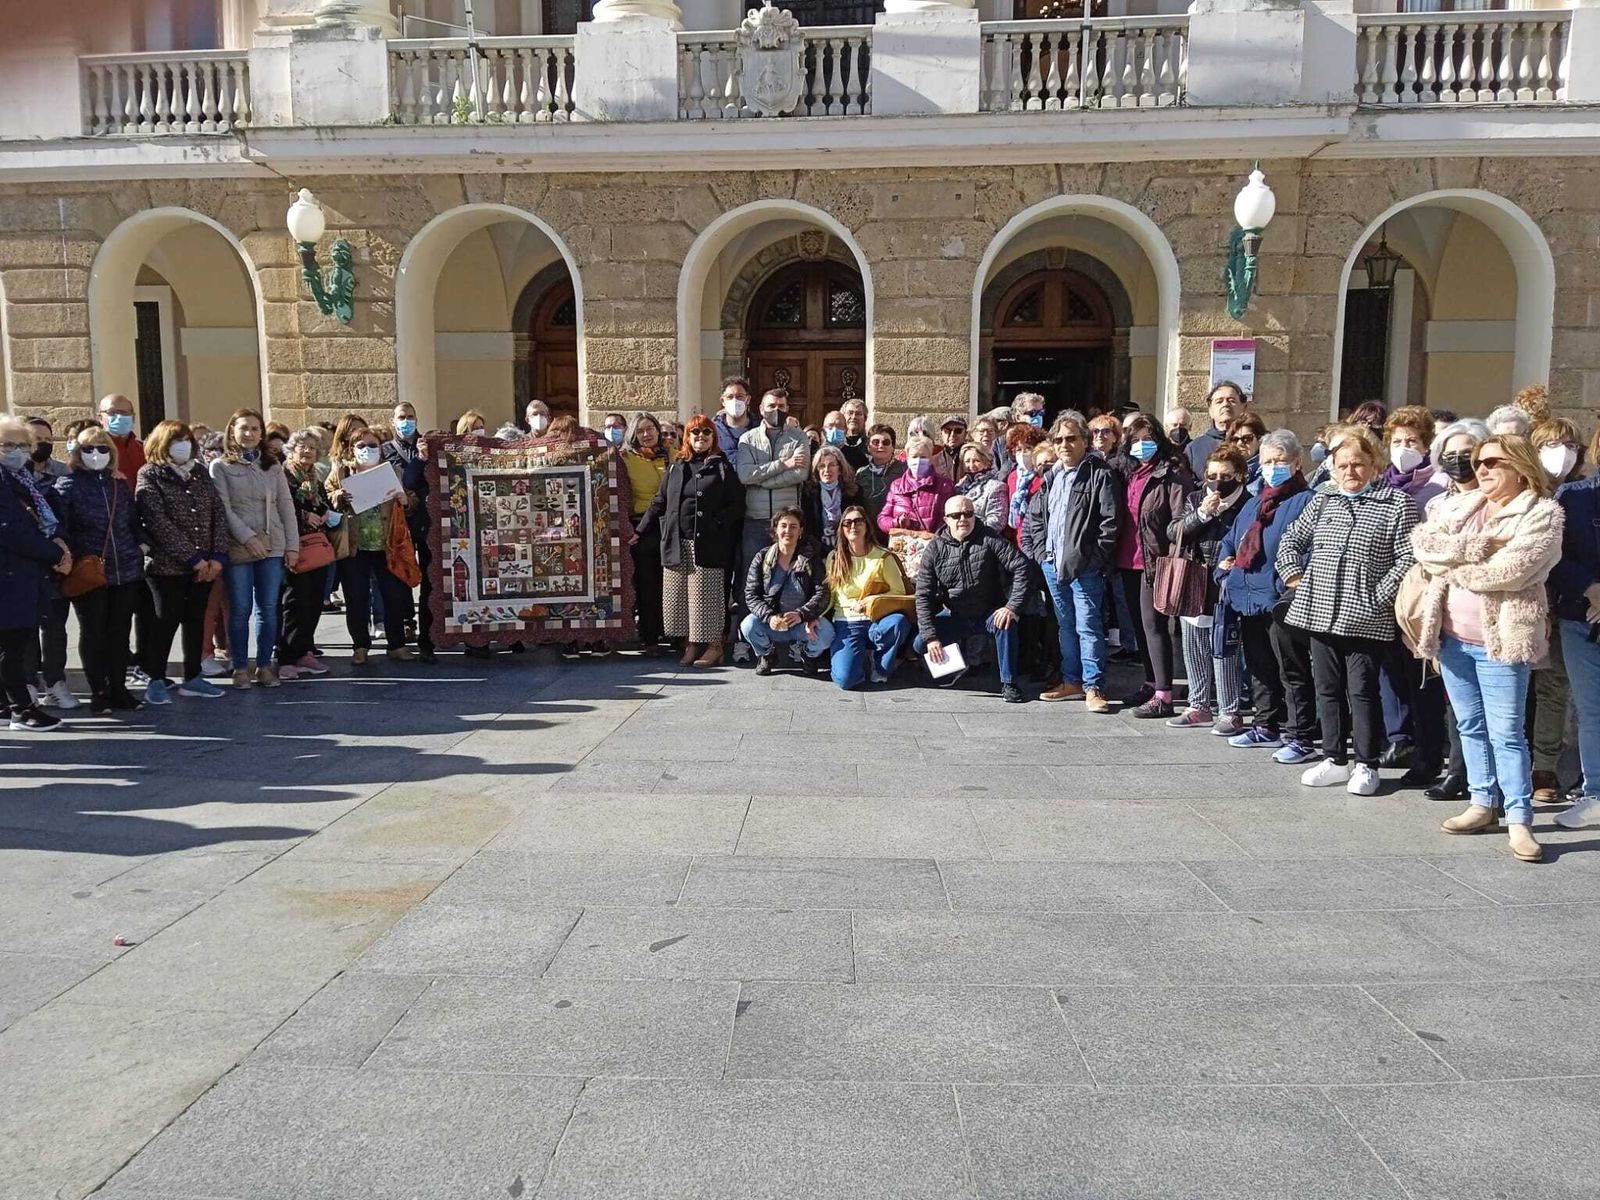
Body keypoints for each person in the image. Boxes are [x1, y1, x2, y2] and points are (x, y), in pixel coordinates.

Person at [1410, 434, 1563, 863]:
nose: (1481, 469)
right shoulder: (1462, 504)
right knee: (1469, 726)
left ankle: (1519, 819)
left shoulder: (1542, 513)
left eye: (1493, 461)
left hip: (1501, 643)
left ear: (1519, 465)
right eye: (1479, 461)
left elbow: (1513, 571)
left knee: (1507, 733)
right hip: (1453, 637)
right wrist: (1473, 550)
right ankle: (1482, 803)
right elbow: (1422, 545)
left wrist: (1456, 562)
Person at [1276, 423, 1418, 795]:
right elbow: (1291, 539)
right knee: (1327, 688)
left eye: (1357, 465)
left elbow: (1407, 558)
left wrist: (1378, 596)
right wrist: (1295, 576)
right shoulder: (1324, 499)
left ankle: (1367, 763)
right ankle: (1335, 757)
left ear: (1373, 464)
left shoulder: (1396, 504)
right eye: (1342, 466)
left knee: (1363, 690)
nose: (1350, 473)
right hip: (1318, 612)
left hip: (1366, 616)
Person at [1217, 429, 1320, 761]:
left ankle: (1299, 734)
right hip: (1247, 596)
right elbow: (1232, 540)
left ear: (1296, 463)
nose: (1274, 466)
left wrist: (1286, 583)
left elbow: (1306, 551)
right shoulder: (1253, 503)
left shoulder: (1306, 501)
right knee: (1260, 666)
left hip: (1278, 598)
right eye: (1268, 461)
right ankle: (1266, 725)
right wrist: (1225, 565)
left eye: (1281, 461)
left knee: (1291, 668)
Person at [1023, 412, 1118, 713]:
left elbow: (1110, 523)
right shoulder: (1051, 477)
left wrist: (1094, 560)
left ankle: (1094, 687)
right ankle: (1071, 681)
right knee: (1065, 626)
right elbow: (1036, 518)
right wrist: (1041, 553)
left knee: (1088, 626)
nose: (1064, 444)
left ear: (1085, 441)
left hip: (1084, 567)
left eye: (1071, 438)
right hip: (1052, 564)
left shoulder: (1098, 474)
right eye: (1059, 439)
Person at [636, 413, 744, 668]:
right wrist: (639, 530)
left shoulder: (721, 466)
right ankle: (691, 644)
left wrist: (717, 523)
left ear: (713, 437)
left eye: (706, 432)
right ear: (687, 437)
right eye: (695, 432)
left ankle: (715, 646)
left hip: (708, 545)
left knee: (706, 598)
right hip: (678, 542)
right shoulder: (676, 466)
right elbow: (659, 501)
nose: (700, 437)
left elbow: (737, 504)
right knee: (682, 598)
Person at [1421, 418, 1492, 801]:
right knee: (1458, 703)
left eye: (1467, 453)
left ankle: (1491, 785)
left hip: (1489, 619)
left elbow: (1486, 554)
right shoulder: (1437, 504)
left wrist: (1446, 554)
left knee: (1497, 711)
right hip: (1445, 615)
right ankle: (1459, 771)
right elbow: (1425, 556)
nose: (1459, 461)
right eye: (1450, 455)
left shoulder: (1498, 501)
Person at [53, 425, 146, 714]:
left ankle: (119, 688)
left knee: (119, 632)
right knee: (93, 632)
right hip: (89, 571)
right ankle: (99, 691)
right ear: (78, 453)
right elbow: (59, 528)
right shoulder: (67, 486)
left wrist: (141, 546)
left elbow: (134, 522)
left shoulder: (119, 485)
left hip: (126, 570)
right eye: (88, 449)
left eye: (103, 449)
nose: (96, 454)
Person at [134, 420, 229, 702]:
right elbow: (157, 522)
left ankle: (193, 676)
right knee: (165, 620)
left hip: (206, 564)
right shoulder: (149, 475)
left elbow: (218, 514)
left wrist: (217, 557)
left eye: (187, 439)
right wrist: (193, 558)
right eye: (176, 440)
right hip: (167, 566)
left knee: (196, 620)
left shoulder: (199, 472)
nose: (184, 444)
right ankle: (155, 677)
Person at [1113, 413, 1196, 718]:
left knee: (1155, 626)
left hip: (1156, 560)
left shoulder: (1171, 474)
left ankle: (1164, 694)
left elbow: (1181, 520)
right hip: (1128, 559)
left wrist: (1174, 557)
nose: (1141, 445)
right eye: (1135, 440)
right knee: (1139, 625)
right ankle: (1150, 682)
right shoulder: (1129, 472)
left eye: (1147, 439)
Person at [211, 409, 300, 688]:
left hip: (273, 544)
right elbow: (223, 509)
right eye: (243, 428)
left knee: (269, 608)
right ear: (232, 432)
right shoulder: (220, 467)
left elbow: (285, 506)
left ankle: (263, 665)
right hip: (240, 546)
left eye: (254, 428)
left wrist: (292, 546)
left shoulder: (272, 466)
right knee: (240, 608)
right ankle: (239, 666)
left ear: (261, 434)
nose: (248, 433)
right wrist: (248, 537)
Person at [1165, 444, 1250, 734]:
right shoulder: (1196, 498)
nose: (1217, 481)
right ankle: (1198, 704)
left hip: (1226, 581)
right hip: (1195, 576)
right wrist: (1201, 515)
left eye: (1224, 475)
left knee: (1224, 646)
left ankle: (1230, 710)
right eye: (1211, 474)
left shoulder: (1248, 503)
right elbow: (1174, 531)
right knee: (1193, 643)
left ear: (1239, 475)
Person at [913, 494, 1030, 703]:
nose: (962, 519)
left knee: (1006, 623)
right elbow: (923, 595)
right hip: (954, 615)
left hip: (989, 613)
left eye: (968, 513)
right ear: (946, 519)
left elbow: (1021, 566)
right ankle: (953, 668)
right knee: (921, 643)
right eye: (956, 515)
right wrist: (932, 638)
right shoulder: (935, 548)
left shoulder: (990, 538)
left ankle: (1009, 683)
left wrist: (1012, 606)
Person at [1527, 416, 1586, 803]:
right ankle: (1536, 769)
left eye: (1568, 445)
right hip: (1534, 606)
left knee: (1572, 693)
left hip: (1575, 605)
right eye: (1550, 444)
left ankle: (1567, 769)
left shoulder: (1584, 494)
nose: (1560, 453)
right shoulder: (1527, 492)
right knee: (1542, 690)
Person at [0, 416, 70, 730]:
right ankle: (21, 710)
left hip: (24, 575)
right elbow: (12, 531)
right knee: (11, 648)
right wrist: (55, 554)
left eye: (22, 445)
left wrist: (57, 542)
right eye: (7, 445)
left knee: (14, 643)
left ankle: (10, 706)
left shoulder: (22, 478)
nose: (16, 451)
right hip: (9, 576)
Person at [733, 388, 810, 662]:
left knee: (793, 578)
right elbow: (744, 475)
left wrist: (762, 478)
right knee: (749, 580)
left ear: (788, 407)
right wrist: (783, 464)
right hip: (756, 519)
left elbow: (801, 472)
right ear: (760, 407)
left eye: (780, 404)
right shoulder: (747, 439)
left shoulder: (797, 436)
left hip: (787, 520)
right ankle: (746, 640)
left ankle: (793, 638)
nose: (775, 409)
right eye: (770, 405)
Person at [327, 424, 412, 666]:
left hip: (387, 545)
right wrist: (340, 496)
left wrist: (405, 500)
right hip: (356, 545)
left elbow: (411, 501)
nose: (367, 449)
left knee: (393, 595)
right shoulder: (342, 472)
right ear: (352, 449)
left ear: (380, 448)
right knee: (356, 597)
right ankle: (360, 646)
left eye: (372, 445)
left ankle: (396, 645)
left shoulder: (394, 472)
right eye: (361, 445)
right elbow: (328, 494)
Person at [1552, 422, 1600, 832]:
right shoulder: (1573, 497)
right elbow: (1554, 557)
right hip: (1582, 620)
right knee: (1592, 710)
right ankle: (1597, 793)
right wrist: (1590, 588)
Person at [18, 416, 73, 709]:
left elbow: (64, 516)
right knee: (25, 628)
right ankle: (28, 684)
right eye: (36, 439)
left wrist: (63, 548)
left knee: (55, 627)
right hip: (25, 562)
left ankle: (55, 682)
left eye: (49, 439)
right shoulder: (14, 476)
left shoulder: (63, 472)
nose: (43, 444)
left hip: (54, 563)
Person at [827, 504, 913, 690]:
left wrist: (871, 600)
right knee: (846, 680)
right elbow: (829, 596)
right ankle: (857, 658)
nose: (853, 526)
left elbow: (900, 592)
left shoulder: (883, 557)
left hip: (877, 619)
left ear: (867, 526)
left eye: (859, 521)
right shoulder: (834, 558)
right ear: (841, 529)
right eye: (847, 523)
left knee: (898, 622)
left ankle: (880, 664)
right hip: (847, 622)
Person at [740, 507, 833, 675]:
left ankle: (808, 654)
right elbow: (751, 595)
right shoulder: (762, 558)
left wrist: (802, 614)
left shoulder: (811, 559)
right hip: (772, 622)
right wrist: (769, 617)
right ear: (775, 529)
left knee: (827, 633)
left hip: (801, 622)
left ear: (801, 531)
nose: (788, 531)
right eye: (783, 525)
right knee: (748, 625)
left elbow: (823, 592)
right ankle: (767, 654)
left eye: (793, 526)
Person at [280, 430, 336, 680]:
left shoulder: (314, 477)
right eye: (302, 446)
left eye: (312, 447)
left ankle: (304, 651)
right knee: (295, 603)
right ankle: (286, 657)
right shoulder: (283, 476)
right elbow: (280, 506)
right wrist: (304, 516)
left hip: (316, 547)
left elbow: (322, 503)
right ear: (291, 450)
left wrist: (324, 513)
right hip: (293, 546)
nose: (307, 451)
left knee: (314, 601)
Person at [384, 403, 434, 662]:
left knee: (429, 577)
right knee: (398, 576)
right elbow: (400, 482)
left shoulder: (428, 446)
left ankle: (428, 634)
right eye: (401, 417)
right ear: (393, 421)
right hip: (397, 522)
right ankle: (402, 629)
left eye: (410, 417)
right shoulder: (385, 451)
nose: (406, 421)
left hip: (425, 521)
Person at [620, 411, 668, 653]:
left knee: (670, 584)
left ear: (658, 430)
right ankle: (650, 637)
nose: (646, 434)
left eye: (650, 428)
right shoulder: (626, 459)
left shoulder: (672, 456)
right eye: (640, 430)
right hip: (642, 528)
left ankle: (674, 632)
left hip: (670, 527)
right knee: (647, 584)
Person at [878, 434, 956, 536]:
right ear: (907, 458)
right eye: (914, 456)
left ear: (931, 458)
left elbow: (949, 520)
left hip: (933, 546)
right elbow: (882, 519)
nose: (918, 461)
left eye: (923, 457)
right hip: (903, 547)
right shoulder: (897, 486)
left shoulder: (944, 485)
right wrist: (896, 522)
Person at [800, 445, 860, 551]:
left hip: (848, 548)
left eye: (832, 465)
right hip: (818, 550)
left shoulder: (853, 492)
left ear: (840, 469)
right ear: (816, 470)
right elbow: (807, 527)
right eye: (822, 466)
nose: (827, 470)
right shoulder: (809, 494)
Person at [1184, 382, 1246, 477]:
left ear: (1242, 407)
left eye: (1231, 400)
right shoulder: (1194, 448)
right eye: (1219, 401)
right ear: (1210, 410)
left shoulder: (1251, 442)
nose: (1225, 404)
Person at [856, 424, 905, 521]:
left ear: (893, 446)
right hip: (868, 529)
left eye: (886, 442)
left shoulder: (904, 470)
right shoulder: (861, 474)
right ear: (868, 447)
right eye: (875, 442)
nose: (880, 446)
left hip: (895, 528)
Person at [954, 442, 1006, 530]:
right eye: (967, 461)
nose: (971, 465)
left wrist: (971, 532)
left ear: (987, 463)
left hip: (983, 539)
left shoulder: (995, 487)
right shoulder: (958, 488)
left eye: (976, 461)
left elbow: (997, 521)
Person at [98, 394, 146, 486]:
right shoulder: (94, 451)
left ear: (133, 417)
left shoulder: (144, 449)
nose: (119, 416)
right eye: (112, 412)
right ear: (100, 418)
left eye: (125, 412)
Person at [1225, 413, 1266, 494]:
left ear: (1260, 439)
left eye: (1247, 438)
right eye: (1235, 439)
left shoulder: (1267, 472)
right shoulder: (1225, 470)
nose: (1240, 443)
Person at [713, 377, 753, 458]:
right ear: (723, 401)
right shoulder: (712, 430)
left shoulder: (760, 428)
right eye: (730, 397)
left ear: (748, 399)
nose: (735, 401)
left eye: (739, 396)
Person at [839, 398, 870, 469]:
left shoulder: (870, 445)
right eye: (850, 413)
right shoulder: (836, 443)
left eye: (858, 414)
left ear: (865, 418)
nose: (853, 417)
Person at [936, 415, 968, 480]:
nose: (952, 435)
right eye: (947, 431)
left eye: (958, 431)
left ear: (965, 434)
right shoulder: (933, 461)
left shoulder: (973, 459)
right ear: (941, 434)